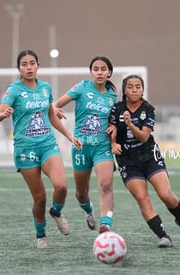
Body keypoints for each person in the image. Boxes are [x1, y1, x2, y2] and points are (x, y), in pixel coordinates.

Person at [0, 50, 82, 249]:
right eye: (24, 64)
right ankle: (41, 235)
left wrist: (69, 135)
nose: (29, 67)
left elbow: (50, 115)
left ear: (38, 66)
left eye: (32, 63)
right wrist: (3, 114)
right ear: (19, 68)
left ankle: (56, 212)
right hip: (25, 149)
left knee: (61, 186)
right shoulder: (14, 90)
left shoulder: (45, 88)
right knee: (39, 198)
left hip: (47, 145)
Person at [109, 75, 180, 248]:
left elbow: (143, 137)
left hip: (149, 156)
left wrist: (129, 124)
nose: (134, 90)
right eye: (131, 87)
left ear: (142, 89)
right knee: (142, 198)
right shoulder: (116, 109)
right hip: (127, 161)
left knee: (166, 195)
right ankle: (164, 236)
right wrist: (113, 143)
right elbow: (111, 130)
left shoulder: (148, 109)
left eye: (138, 87)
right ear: (124, 90)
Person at [53, 56, 117, 234]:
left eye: (103, 69)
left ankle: (105, 225)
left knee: (106, 186)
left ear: (109, 72)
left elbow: (115, 120)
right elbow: (55, 105)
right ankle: (89, 212)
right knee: (81, 193)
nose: (99, 72)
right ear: (91, 72)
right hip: (81, 147)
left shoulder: (112, 96)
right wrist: (55, 109)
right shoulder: (82, 87)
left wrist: (114, 126)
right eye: (96, 69)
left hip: (102, 147)